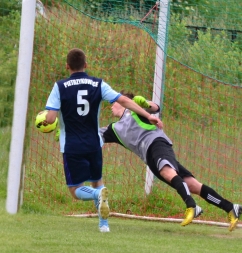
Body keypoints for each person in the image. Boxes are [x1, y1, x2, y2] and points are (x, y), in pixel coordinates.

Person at [42, 48, 163, 233]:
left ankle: (98, 195)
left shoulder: (59, 86)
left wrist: (45, 120)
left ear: (67, 66)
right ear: (86, 65)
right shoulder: (97, 84)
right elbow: (123, 100)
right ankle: (103, 225)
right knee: (97, 181)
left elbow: (50, 119)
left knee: (75, 190)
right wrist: (149, 115)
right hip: (94, 143)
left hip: (72, 145)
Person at [99, 91, 242, 231]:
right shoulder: (114, 129)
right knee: (192, 185)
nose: (111, 104)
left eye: (115, 101)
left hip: (157, 144)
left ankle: (191, 206)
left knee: (167, 172)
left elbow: (155, 107)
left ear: (125, 101)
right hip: (149, 158)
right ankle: (231, 208)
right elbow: (94, 135)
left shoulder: (136, 109)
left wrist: (142, 101)